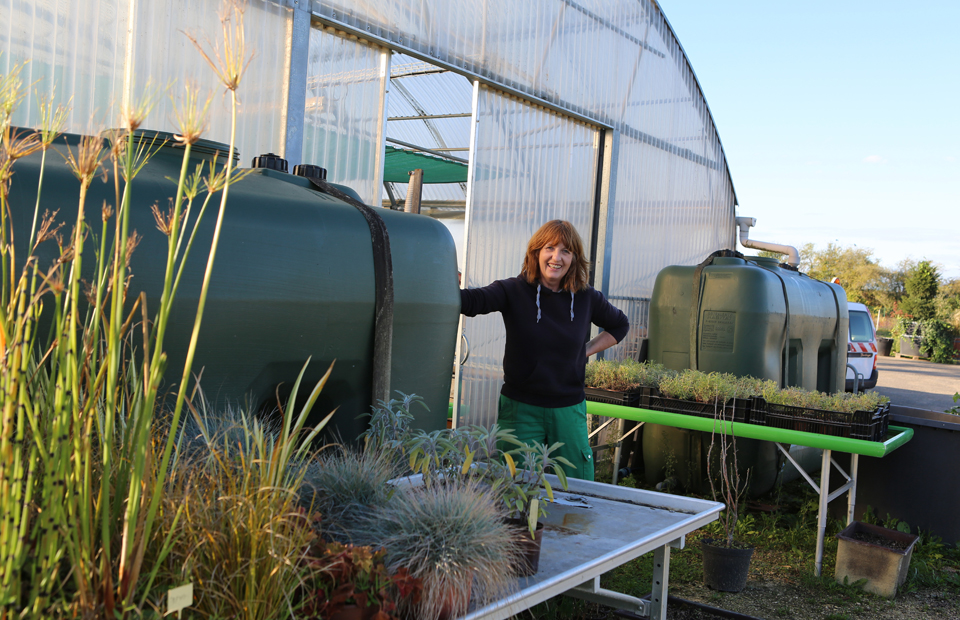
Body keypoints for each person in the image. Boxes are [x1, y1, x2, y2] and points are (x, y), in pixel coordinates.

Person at [459, 220, 629, 481]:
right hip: (521, 409)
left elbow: (620, 325)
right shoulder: (513, 290)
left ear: (574, 258)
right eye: (550, 248)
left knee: (578, 486)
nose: (556, 257)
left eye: (566, 251)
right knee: (514, 484)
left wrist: (585, 351)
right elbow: (471, 302)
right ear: (536, 252)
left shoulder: (585, 297)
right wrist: (445, 280)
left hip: (568, 408)